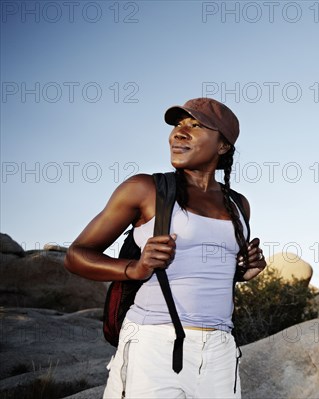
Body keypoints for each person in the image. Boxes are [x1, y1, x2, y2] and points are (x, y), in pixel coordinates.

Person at [65, 97, 267, 398]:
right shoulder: (146, 189)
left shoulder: (239, 204)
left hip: (220, 348)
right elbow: (77, 254)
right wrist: (135, 268)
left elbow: (201, 270)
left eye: (195, 125)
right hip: (153, 343)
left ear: (222, 146)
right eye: (178, 125)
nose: (179, 133)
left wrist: (244, 271)